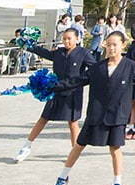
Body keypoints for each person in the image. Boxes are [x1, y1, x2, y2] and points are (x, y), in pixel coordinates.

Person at [45, 31, 135, 185]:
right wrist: (52, 86)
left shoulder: (130, 66)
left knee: (115, 149)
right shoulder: (97, 67)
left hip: (117, 116)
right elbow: (76, 81)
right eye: (109, 44)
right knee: (78, 146)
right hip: (96, 114)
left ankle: (117, 183)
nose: (112, 48)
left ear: (123, 45)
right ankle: (62, 178)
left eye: (115, 44)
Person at [16, 28, 97, 161]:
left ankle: (74, 151)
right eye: (64, 38)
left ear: (77, 39)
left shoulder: (83, 53)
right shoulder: (59, 52)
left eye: (69, 38)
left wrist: (82, 81)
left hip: (73, 92)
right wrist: (29, 46)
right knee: (43, 118)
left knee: (73, 122)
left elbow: (94, 68)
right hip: (56, 89)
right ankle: (26, 146)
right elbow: (46, 53)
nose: (66, 41)